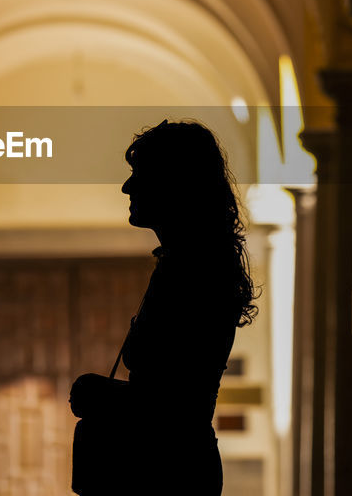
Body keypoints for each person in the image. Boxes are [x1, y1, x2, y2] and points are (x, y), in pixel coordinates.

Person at [69, 120, 258, 496]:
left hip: (167, 474)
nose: (127, 187)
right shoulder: (184, 264)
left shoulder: (197, 272)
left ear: (175, 183)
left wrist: (100, 393)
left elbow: (176, 407)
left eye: (139, 175)